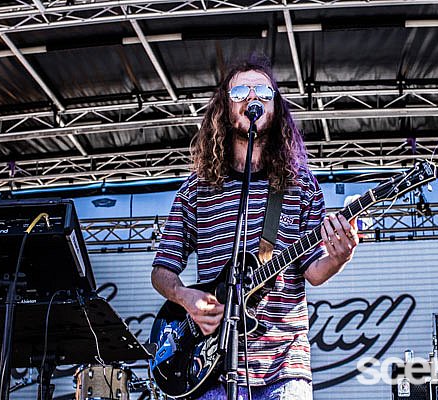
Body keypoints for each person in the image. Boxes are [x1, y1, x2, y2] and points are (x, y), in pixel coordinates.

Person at [151, 57, 360, 399]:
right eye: (240, 92)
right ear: (224, 107)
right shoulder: (196, 189)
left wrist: (340, 256)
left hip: (284, 365)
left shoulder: (301, 186)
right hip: (210, 365)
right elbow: (162, 271)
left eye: (263, 91)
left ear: (276, 107)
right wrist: (185, 297)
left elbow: (314, 272)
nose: (253, 97)